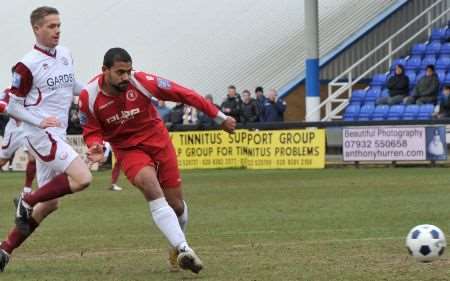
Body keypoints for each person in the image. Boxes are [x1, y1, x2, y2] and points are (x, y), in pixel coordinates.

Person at [79, 47, 236, 274]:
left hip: (158, 142)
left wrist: (219, 117)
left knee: (177, 206)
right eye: (120, 72)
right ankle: (184, 248)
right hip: (128, 149)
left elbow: (185, 94)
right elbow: (91, 129)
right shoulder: (89, 96)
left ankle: (176, 248)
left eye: (128, 71)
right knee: (150, 186)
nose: (126, 77)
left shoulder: (141, 81)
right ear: (105, 71)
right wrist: (95, 144)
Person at [0, 6, 93, 272]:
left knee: (50, 203)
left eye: (59, 26)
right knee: (83, 178)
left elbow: (71, 86)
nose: (57, 31)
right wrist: (39, 120)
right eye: (51, 26)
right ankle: (26, 201)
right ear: (36, 29)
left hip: (57, 133)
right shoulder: (26, 65)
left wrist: (93, 92)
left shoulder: (65, 55)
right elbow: (13, 107)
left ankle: (5, 249)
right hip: (40, 134)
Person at [0, 88, 36, 194]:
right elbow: (1, 104)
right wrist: (13, 113)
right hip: (15, 130)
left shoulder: (35, 90)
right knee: (2, 160)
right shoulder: (9, 92)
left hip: (30, 126)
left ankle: (27, 190)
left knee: (33, 158)